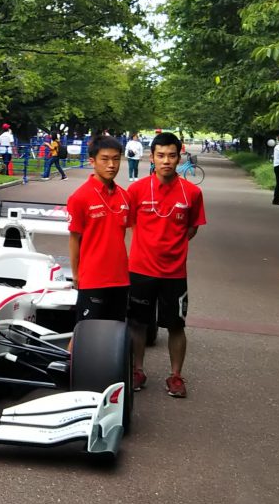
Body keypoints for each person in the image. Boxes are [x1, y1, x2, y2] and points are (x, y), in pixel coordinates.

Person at [127, 132, 207, 398]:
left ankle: (175, 376)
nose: (166, 161)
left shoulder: (192, 192)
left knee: (176, 326)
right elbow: (128, 222)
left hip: (174, 273)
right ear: (152, 157)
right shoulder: (136, 190)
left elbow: (192, 227)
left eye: (172, 155)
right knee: (137, 323)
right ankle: (137, 371)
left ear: (179, 157)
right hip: (140, 269)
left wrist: (173, 246)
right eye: (160, 155)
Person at [66, 135, 131, 322]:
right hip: (92, 279)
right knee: (88, 332)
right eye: (105, 159)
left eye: (116, 159)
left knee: (114, 331)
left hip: (120, 279)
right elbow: (74, 239)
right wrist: (76, 274)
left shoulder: (125, 196)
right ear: (92, 161)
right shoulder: (80, 197)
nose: (111, 165)